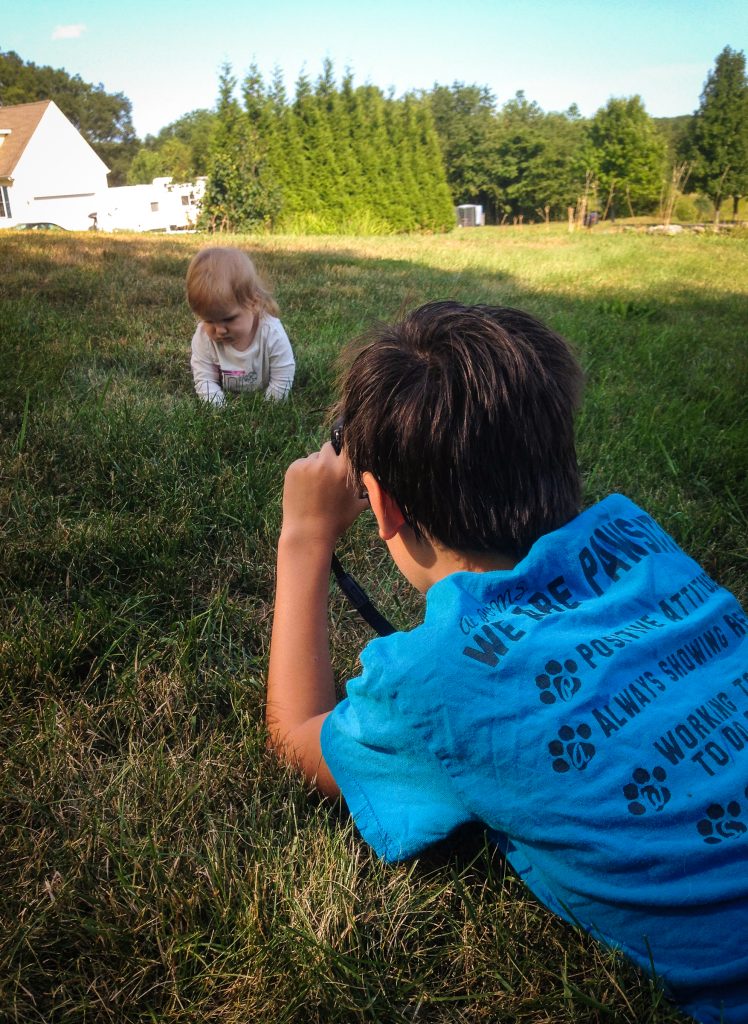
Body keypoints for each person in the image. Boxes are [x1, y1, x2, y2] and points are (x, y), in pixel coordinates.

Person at [266, 301, 748, 1024]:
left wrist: (304, 537)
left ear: (382, 506)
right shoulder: (636, 537)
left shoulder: (431, 681)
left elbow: (296, 733)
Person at [187, 247, 295, 405]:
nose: (220, 330)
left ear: (254, 303)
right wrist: (219, 408)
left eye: (229, 319)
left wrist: (270, 406)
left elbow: (283, 374)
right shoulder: (203, 337)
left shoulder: (271, 333)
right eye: (209, 321)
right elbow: (204, 379)